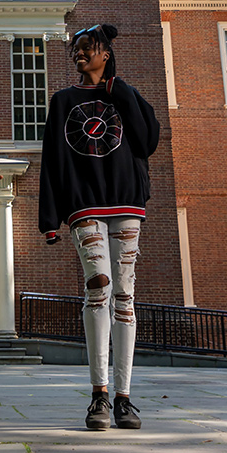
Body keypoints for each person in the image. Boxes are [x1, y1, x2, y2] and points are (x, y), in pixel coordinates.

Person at [37, 23, 159, 432]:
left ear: (105, 53)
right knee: (99, 287)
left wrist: (117, 89)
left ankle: (124, 397)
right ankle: (99, 394)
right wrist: (49, 218)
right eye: (75, 49)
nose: (78, 54)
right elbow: (53, 159)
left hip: (127, 204)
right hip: (85, 206)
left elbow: (147, 140)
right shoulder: (63, 100)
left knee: (125, 294)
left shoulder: (125, 95)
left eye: (86, 48)